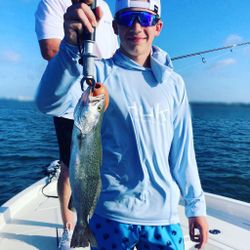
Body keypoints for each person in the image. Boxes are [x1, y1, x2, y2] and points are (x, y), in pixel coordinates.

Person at [36, 0, 209, 249]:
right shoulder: (98, 75)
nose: (136, 26)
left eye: (145, 19)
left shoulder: (173, 84)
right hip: (110, 215)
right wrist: (70, 47)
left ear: (158, 26)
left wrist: (196, 206)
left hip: (164, 217)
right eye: (127, 19)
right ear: (115, 27)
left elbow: (183, 152)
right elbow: (47, 102)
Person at [34, 0, 118, 249]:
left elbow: (114, 54)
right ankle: (71, 227)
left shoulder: (103, 5)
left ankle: (100, 222)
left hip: (101, 102)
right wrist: (75, 42)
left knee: (103, 167)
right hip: (70, 104)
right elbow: (50, 50)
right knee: (69, 168)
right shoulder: (53, 2)